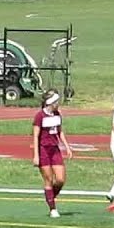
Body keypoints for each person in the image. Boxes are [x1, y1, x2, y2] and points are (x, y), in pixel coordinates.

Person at [31, 89, 71, 218]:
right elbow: (36, 136)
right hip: (44, 150)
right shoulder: (39, 116)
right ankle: (52, 208)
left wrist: (67, 146)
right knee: (48, 179)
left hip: (55, 149)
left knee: (60, 179)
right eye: (56, 102)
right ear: (50, 102)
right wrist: (36, 155)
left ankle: (50, 197)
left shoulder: (57, 114)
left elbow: (60, 132)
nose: (58, 104)